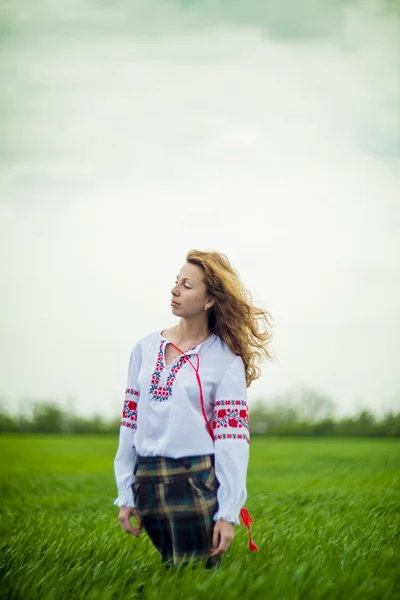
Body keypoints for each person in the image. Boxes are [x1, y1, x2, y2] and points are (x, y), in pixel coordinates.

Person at [114, 249, 273, 567]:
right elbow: (130, 423)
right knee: (170, 575)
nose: (174, 290)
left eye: (187, 285)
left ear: (209, 300)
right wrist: (126, 494)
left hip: (194, 483)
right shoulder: (144, 348)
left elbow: (232, 440)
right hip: (147, 482)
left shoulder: (226, 361)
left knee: (194, 578)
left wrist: (228, 513)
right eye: (176, 282)